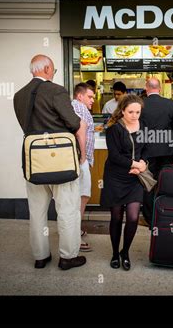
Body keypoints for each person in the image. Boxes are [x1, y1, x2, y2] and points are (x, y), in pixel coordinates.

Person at [14, 54, 86, 270]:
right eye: (53, 71)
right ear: (46, 69)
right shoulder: (56, 91)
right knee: (68, 210)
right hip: (61, 161)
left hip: (34, 162)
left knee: (36, 212)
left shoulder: (19, 95)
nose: (53, 75)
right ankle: (68, 257)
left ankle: (40, 256)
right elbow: (73, 122)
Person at [100, 95, 148, 271]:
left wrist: (143, 165)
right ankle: (114, 253)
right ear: (122, 111)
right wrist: (135, 164)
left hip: (135, 178)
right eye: (131, 112)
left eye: (138, 112)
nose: (135, 115)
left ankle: (125, 252)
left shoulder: (143, 127)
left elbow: (146, 150)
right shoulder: (114, 128)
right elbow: (114, 156)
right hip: (115, 177)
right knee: (116, 217)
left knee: (134, 217)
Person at [140, 78, 173, 225]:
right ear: (160, 88)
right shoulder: (169, 103)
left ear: (146, 88)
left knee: (148, 184)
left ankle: (150, 219)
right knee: (164, 183)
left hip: (147, 150)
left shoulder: (141, 104)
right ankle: (163, 215)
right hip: (166, 150)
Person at [72, 82, 95, 252]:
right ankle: (74, 238)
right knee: (82, 196)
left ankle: (74, 231)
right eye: (90, 96)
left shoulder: (75, 106)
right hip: (80, 160)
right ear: (80, 96)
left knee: (78, 196)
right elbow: (81, 131)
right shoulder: (80, 107)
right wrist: (83, 158)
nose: (93, 100)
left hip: (78, 159)